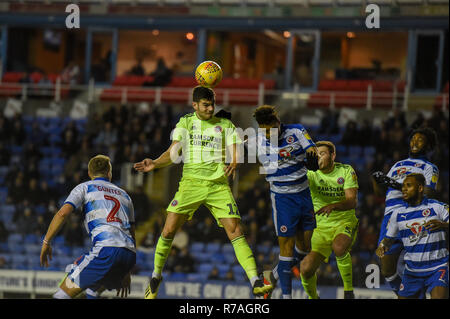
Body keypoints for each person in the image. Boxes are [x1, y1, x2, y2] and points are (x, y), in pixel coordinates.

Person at [133, 86, 273, 299]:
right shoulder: (186, 122)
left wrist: (234, 161)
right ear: (195, 105)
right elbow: (173, 152)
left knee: (235, 230)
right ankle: (155, 276)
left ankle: (255, 281)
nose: (210, 108)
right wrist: (155, 163)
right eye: (206, 105)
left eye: (212, 104)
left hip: (217, 186)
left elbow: (235, 148)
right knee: (169, 229)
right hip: (190, 184)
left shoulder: (225, 124)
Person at [40, 155, 136, 299]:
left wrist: (46, 241)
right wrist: (127, 272)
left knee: (62, 294)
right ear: (109, 173)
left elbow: (62, 214)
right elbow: (131, 232)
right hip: (129, 256)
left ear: (89, 173)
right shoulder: (125, 196)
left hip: (106, 251)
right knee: (93, 290)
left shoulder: (85, 187)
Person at [249, 105, 318, 299]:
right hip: (282, 198)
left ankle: (273, 275)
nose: (268, 134)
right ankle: (286, 296)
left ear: (278, 123)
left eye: (271, 129)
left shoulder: (296, 131)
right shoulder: (256, 140)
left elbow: (311, 148)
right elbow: (234, 148)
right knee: (286, 250)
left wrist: (313, 156)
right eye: (265, 131)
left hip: (304, 194)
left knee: (304, 248)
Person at [372, 127, 439, 295]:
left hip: (414, 216)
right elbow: (380, 193)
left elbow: (428, 193)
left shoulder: (430, 167)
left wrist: (396, 185)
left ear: (428, 145)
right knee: (386, 268)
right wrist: (376, 181)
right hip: (391, 217)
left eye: (420, 140)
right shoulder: (397, 164)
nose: (415, 142)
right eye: (413, 139)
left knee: (421, 268)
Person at [299, 141, 359, 299]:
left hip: (343, 222)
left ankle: (348, 291)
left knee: (339, 247)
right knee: (305, 268)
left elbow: (352, 201)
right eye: (317, 154)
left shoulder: (346, 171)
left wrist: (334, 206)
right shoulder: (310, 173)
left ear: (333, 156)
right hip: (319, 228)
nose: (319, 157)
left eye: (323, 154)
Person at [376, 173, 448, 299]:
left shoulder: (438, 207)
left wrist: (443, 225)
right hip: (412, 272)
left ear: (420, 188)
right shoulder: (397, 214)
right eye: (403, 186)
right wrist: (382, 246)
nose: (403, 189)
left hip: (437, 267)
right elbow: (388, 240)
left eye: (408, 185)